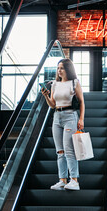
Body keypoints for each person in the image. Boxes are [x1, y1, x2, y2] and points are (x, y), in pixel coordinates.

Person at [41, 58, 85, 191]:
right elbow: (53, 104)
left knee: (69, 149)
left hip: (70, 116)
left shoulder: (74, 83)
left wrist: (81, 119)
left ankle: (74, 180)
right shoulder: (55, 84)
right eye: (58, 68)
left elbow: (82, 102)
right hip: (57, 116)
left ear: (68, 69)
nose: (59, 71)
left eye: (62, 68)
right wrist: (46, 96)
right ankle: (62, 180)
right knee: (60, 151)